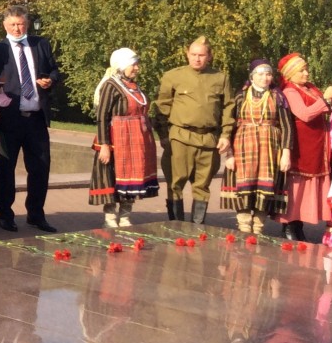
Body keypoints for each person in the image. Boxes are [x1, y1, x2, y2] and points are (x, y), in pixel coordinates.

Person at [0, 5, 61, 232]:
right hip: (9, 119)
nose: (17, 29)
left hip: (36, 118)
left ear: (27, 24)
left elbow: (55, 70)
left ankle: (36, 214)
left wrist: (50, 80)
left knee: (40, 168)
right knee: (6, 169)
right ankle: (6, 215)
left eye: (20, 24)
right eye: (12, 25)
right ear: (4, 25)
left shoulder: (41, 44)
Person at [154, 36, 234, 224]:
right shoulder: (173, 76)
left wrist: (225, 135)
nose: (197, 59)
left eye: (201, 55)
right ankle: (176, 225)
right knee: (175, 183)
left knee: (202, 185)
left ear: (209, 56)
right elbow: (162, 107)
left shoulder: (220, 78)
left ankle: (197, 227)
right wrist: (164, 136)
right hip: (180, 137)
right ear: (187, 55)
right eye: (193, 54)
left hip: (208, 139)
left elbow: (228, 107)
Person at [219, 60, 294, 234]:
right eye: (260, 74)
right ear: (252, 76)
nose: (265, 78)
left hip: (270, 149)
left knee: (265, 188)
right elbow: (230, 125)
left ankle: (259, 228)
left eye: (268, 74)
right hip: (243, 147)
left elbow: (287, 126)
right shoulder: (241, 96)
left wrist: (286, 153)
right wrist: (229, 154)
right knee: (244, 188)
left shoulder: (278, 97)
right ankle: (244, 228)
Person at [88, 48, 158, 227]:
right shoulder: (111, 85)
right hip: (116, 141)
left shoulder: (133, 86)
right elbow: (102, 116)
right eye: (133, 64)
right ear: (122, 65)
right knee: (112, 177)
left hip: (135, 141)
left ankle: (125, 216)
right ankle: (110, 218)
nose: (137, 68)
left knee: (133, 176)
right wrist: (104, 144)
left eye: (137, 64)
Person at [274, 53, 332, 240]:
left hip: (316, 147)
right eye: (301, 70)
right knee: (296, 189)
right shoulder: (289, 91)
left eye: (306, 69)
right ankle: (289, 227)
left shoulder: (310, 88)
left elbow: (324, 109)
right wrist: (325, 98)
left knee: (304, 191)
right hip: (301, 148)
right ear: (290, 73)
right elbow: (305, 114)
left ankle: (298, 226)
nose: (306, 73)